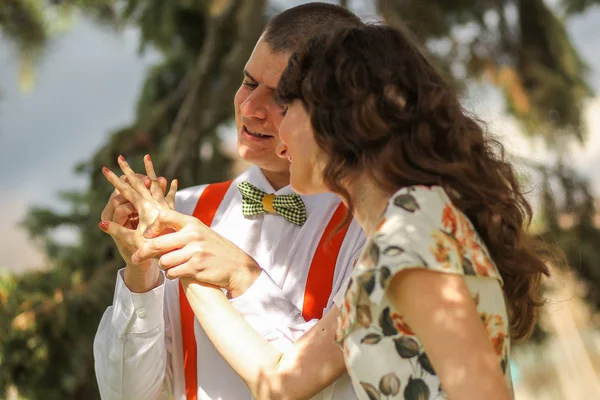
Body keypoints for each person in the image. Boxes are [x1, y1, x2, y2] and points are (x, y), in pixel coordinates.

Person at [105, 23, 558, 400]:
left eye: (289, 104)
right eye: (248, 85)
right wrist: (182, 259)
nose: (268, 120)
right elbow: (279, 383)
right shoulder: (394, 237)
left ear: (338, 117)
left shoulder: (413, 226)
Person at [93, 3, 365, 400]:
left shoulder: (369, 227)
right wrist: (142, 275)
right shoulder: (184, 209)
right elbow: (126, 395)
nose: (251, 108)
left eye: (282, 97)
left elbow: (316, 386)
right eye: (248, 82)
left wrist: (243, 276)